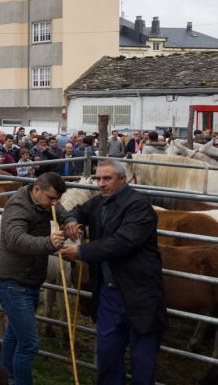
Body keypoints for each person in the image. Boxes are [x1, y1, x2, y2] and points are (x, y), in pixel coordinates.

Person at [61, 160, 166, 385]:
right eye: (98, 179)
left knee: (142, 358)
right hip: (109, 292)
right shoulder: (99, 203)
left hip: (139, 294)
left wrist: (81, 251)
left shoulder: (139, 206)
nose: (100, 184)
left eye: (106, 179)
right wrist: (72, 220)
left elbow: (122, 242)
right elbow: (79, 210)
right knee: (107, 353)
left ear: (122, 179)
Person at [0, 172, 68, 385]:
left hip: (29, 282)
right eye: (51, 199)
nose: (54, 204)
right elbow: (16, 239)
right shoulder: (18, 206)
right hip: (13, 284)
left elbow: (61, 212)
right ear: (37, 190)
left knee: (14, 334)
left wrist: (71, 221)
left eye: (57, 200)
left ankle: (6, 378)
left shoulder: (46, 203)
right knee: (29, 344)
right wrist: (49, 243)